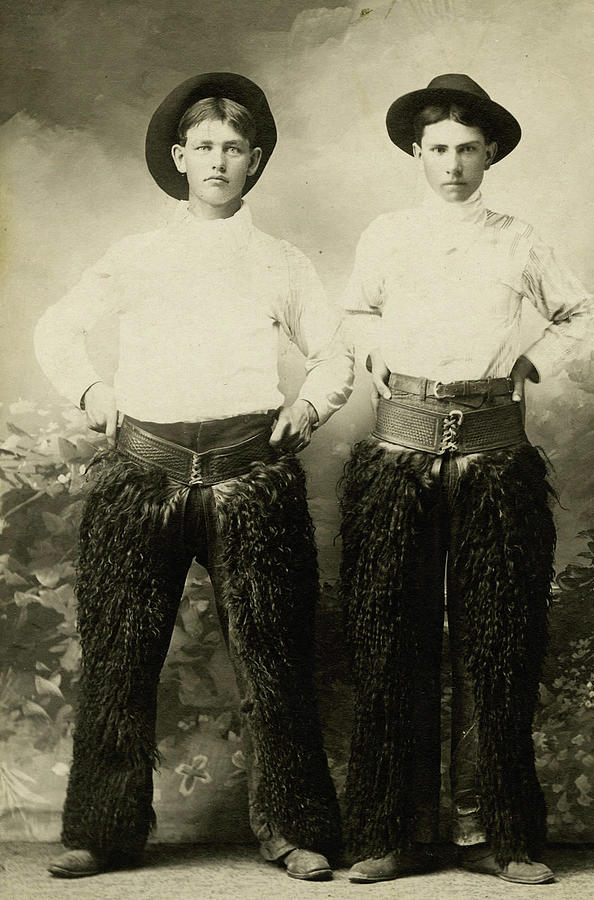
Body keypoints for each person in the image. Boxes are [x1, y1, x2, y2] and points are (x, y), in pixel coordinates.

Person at [34, 72, 353, 881]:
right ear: (179, 158)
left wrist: (310, 406)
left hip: (251, 474)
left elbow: (338, 352)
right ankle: (103, 832)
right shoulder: (136, 256)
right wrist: (91, 392)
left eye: (233, 148)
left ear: (254, 162)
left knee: (276, 659)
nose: (217, 160)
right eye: (203, 147)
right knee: (119, 659)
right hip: (143, 474)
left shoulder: (281, 262)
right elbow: (57, 329)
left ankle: (294, 829)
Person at [339, 73, 594, 885]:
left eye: (466, 149)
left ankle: (499, 836)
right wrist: (371, 348)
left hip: (493, 453)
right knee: (392, 645)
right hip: (400, 450)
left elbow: (582, 317)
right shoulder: (385, 234)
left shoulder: (519, 239)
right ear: (416, 154)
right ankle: (392, 833)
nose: (452, 163)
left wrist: (532, 359)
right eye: (438, 149)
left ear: (489, 153)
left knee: (495, 646)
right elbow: (353, 313)